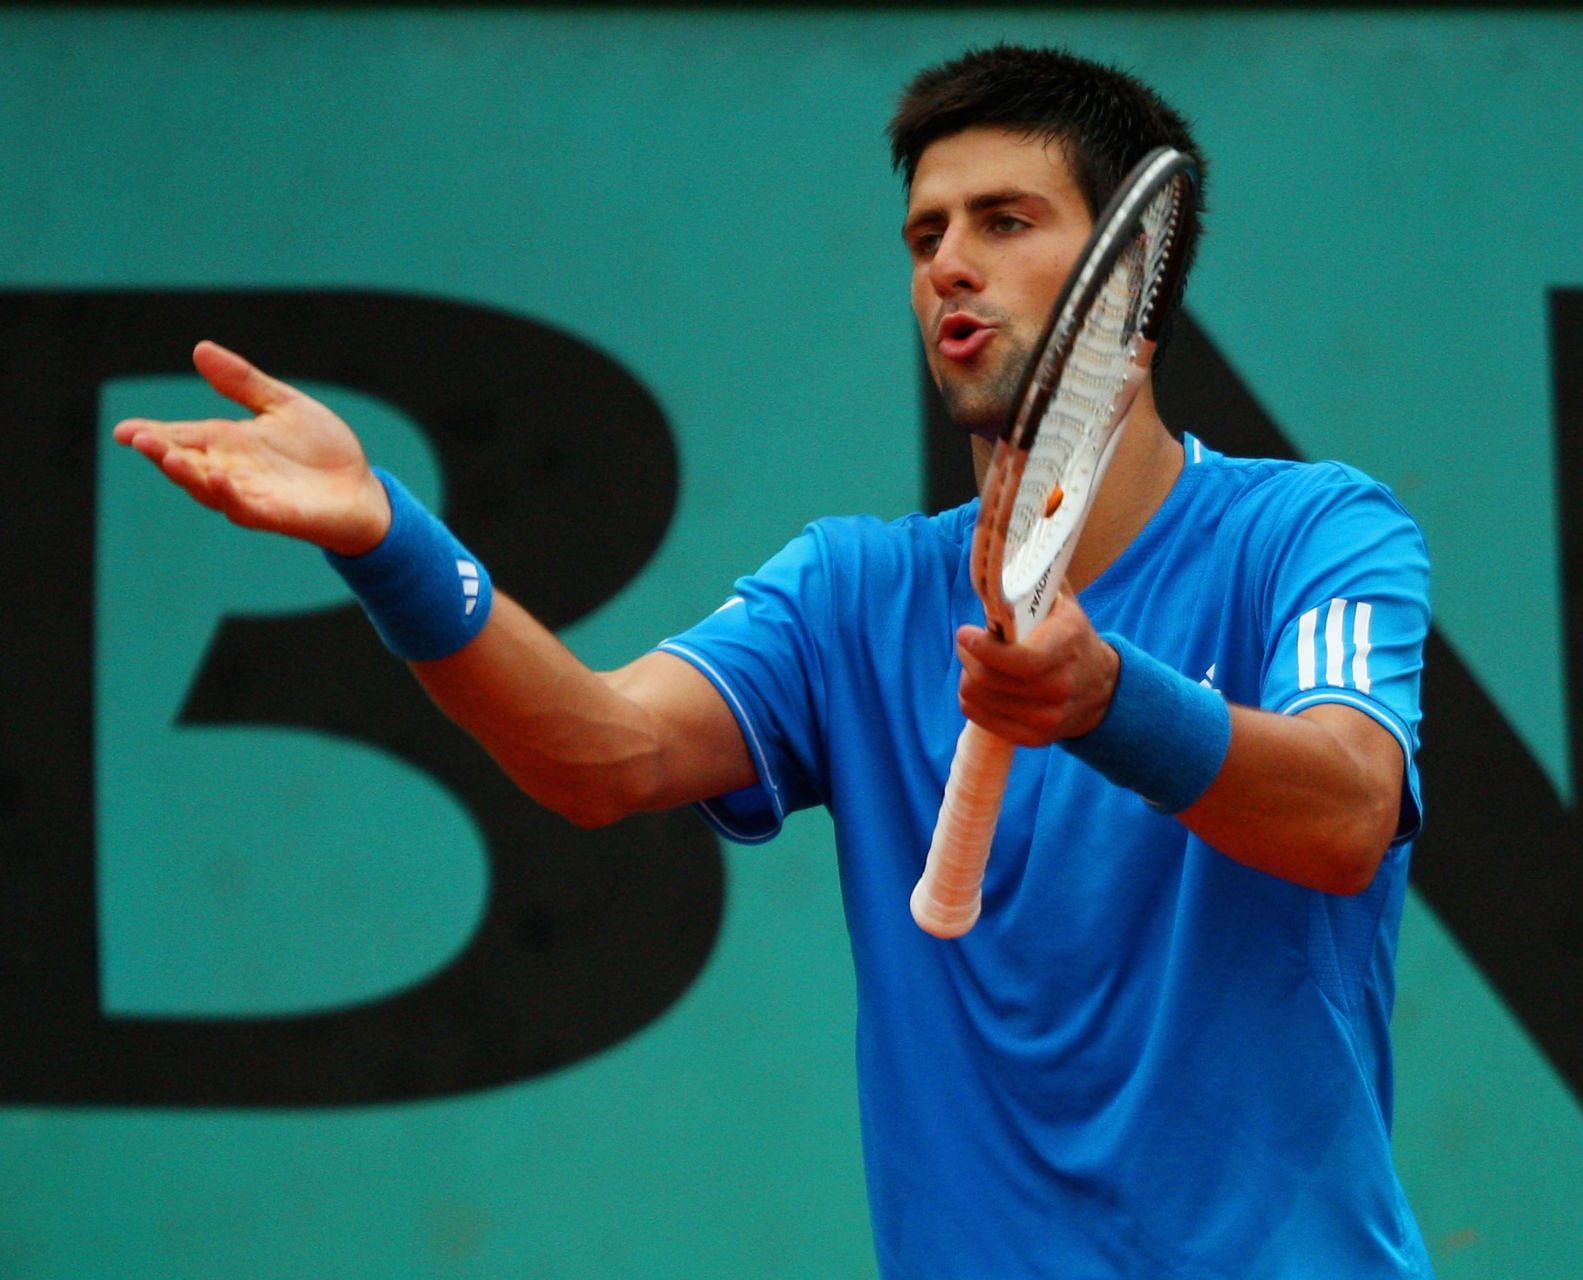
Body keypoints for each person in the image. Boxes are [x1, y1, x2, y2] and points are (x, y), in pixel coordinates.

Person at [114, 44, 1434, 1280]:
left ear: (1131, 269)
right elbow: (598, 752)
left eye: (1005, 222)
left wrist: (1108, 699)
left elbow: (1347, 808)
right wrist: (386, 537)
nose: (948, 267)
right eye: (926, 235)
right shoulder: (849, 593)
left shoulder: (1312, 536)